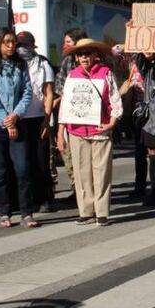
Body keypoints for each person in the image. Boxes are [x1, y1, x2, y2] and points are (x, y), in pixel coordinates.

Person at [57, 38, 122, 226]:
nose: (84, 57)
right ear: (76, 58)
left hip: (100, 130)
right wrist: (60, 132)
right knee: (81, 172)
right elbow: (65, 104)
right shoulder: (72, 76)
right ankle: (86, 211)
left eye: (88, 53)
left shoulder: (105, 73)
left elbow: (115, 100)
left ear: (95, 55)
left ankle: (101, 211)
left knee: (101, 172)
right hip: (76, 131)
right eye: (80, 54)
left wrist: (112, 122)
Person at [0, 29, 37, 228]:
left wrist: (15, 116)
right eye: (6, 42)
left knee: (22, 168)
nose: (11, 46)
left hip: (17, 120)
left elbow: (27, 93)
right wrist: (6, 120)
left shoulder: (21, 65)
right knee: (0, 169)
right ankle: (4, 211)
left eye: (13, 42)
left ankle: (26, 212)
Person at [15, 31, 55, 214]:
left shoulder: (42, 64)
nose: (22, 49)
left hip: (38, 117)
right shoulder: (13, 64)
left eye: (25, 44)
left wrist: (47, 120)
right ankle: (26, 199)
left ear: (33, 45)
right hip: (19, 118)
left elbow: (48, 93)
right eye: (19, 45)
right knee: (23, 162)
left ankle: (45, 198)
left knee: (41, 161)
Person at [122, 52, 155, 203]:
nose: (147, 50)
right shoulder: (146, 66)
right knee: (143, 152)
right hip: (143, 114)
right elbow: (136, 57)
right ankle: (145, 187)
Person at [53, 27, 88, 199]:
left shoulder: (97, 62)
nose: (64, 45)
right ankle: (77, 189)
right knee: (68, 153)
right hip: (69, 115)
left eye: (68, 42)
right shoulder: (67, 62)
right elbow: (60, 86)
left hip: (90, 118)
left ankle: (89, 190)